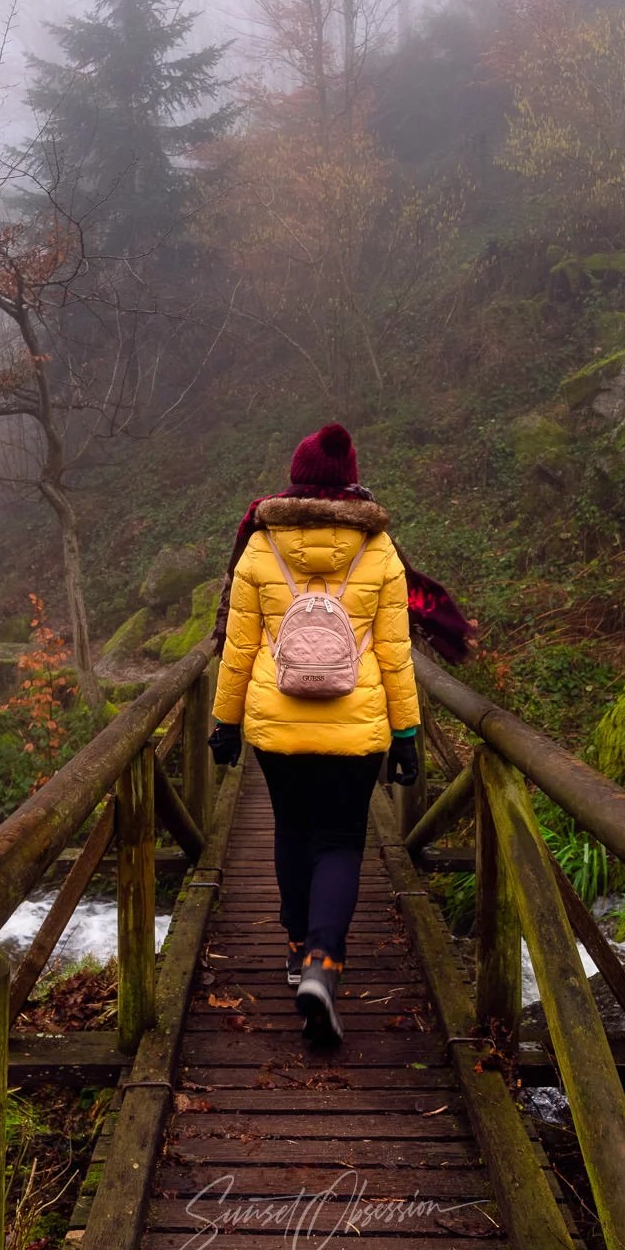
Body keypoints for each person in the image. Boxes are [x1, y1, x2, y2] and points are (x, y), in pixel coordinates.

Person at [206, 423, 427, 1046]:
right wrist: (406, 732)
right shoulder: (378, 550)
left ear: (297, 476)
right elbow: (395, 652)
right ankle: (323, 964)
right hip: (356, 728)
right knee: (340, 842)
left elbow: (240, 647)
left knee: (292, 830)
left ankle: (298, 943)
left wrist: (224, 722)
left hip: (277, 726)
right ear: (351, 479)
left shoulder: (259, 546)